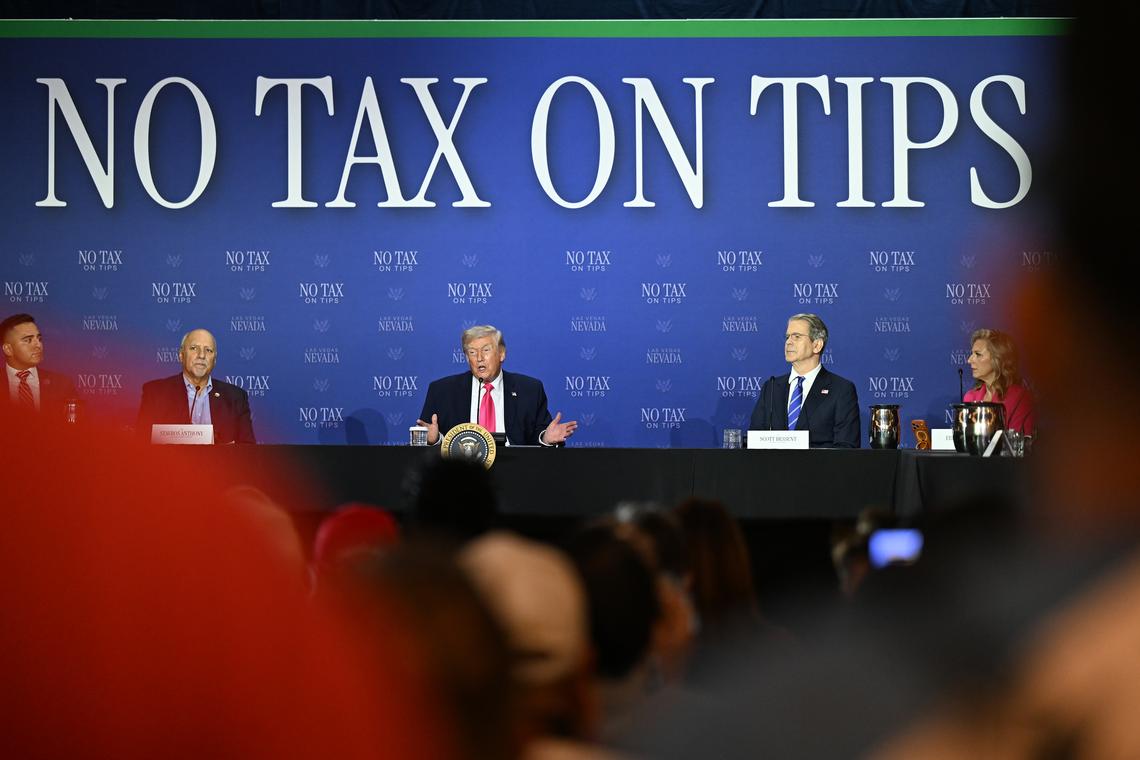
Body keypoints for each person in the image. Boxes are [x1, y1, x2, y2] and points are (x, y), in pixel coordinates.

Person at [417, 325, 576, 446]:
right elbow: (423, 439)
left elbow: (539, 435)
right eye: (472, 352)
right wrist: (434, 440)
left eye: (486, 350)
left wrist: (545, 438)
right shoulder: (442, 391)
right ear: (467, 358)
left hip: (515, 473)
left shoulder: (530, 390)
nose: (479, 358)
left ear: (502, 354)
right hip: (461, 476)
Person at [748, 313, 860, 448]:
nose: (788, 342)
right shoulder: (771, 387)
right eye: (787, 337)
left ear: (817, 345)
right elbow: (754, 441)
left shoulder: (841, 390)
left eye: (797, 337)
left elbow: (846, 447)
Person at [136, 327, 256, 444]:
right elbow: (141, 445)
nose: (201, 355)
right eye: (194, 348)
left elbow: (248, 451)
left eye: (208, 350)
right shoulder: (156, 393)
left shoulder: (235, 397)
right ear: (181, 356)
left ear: (214, 360)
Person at [0, 313, 77, 421]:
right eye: (28, 340)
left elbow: (76, 430)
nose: (38, 345)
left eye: (39, 339)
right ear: (8, 349)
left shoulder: (62, 384)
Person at [962, 327, 1036, 434]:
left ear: (998, 359)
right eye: (972, 354)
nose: (969, 360)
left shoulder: (1019, 398)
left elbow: (1017, 444)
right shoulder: (970, 398)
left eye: (978, 354)